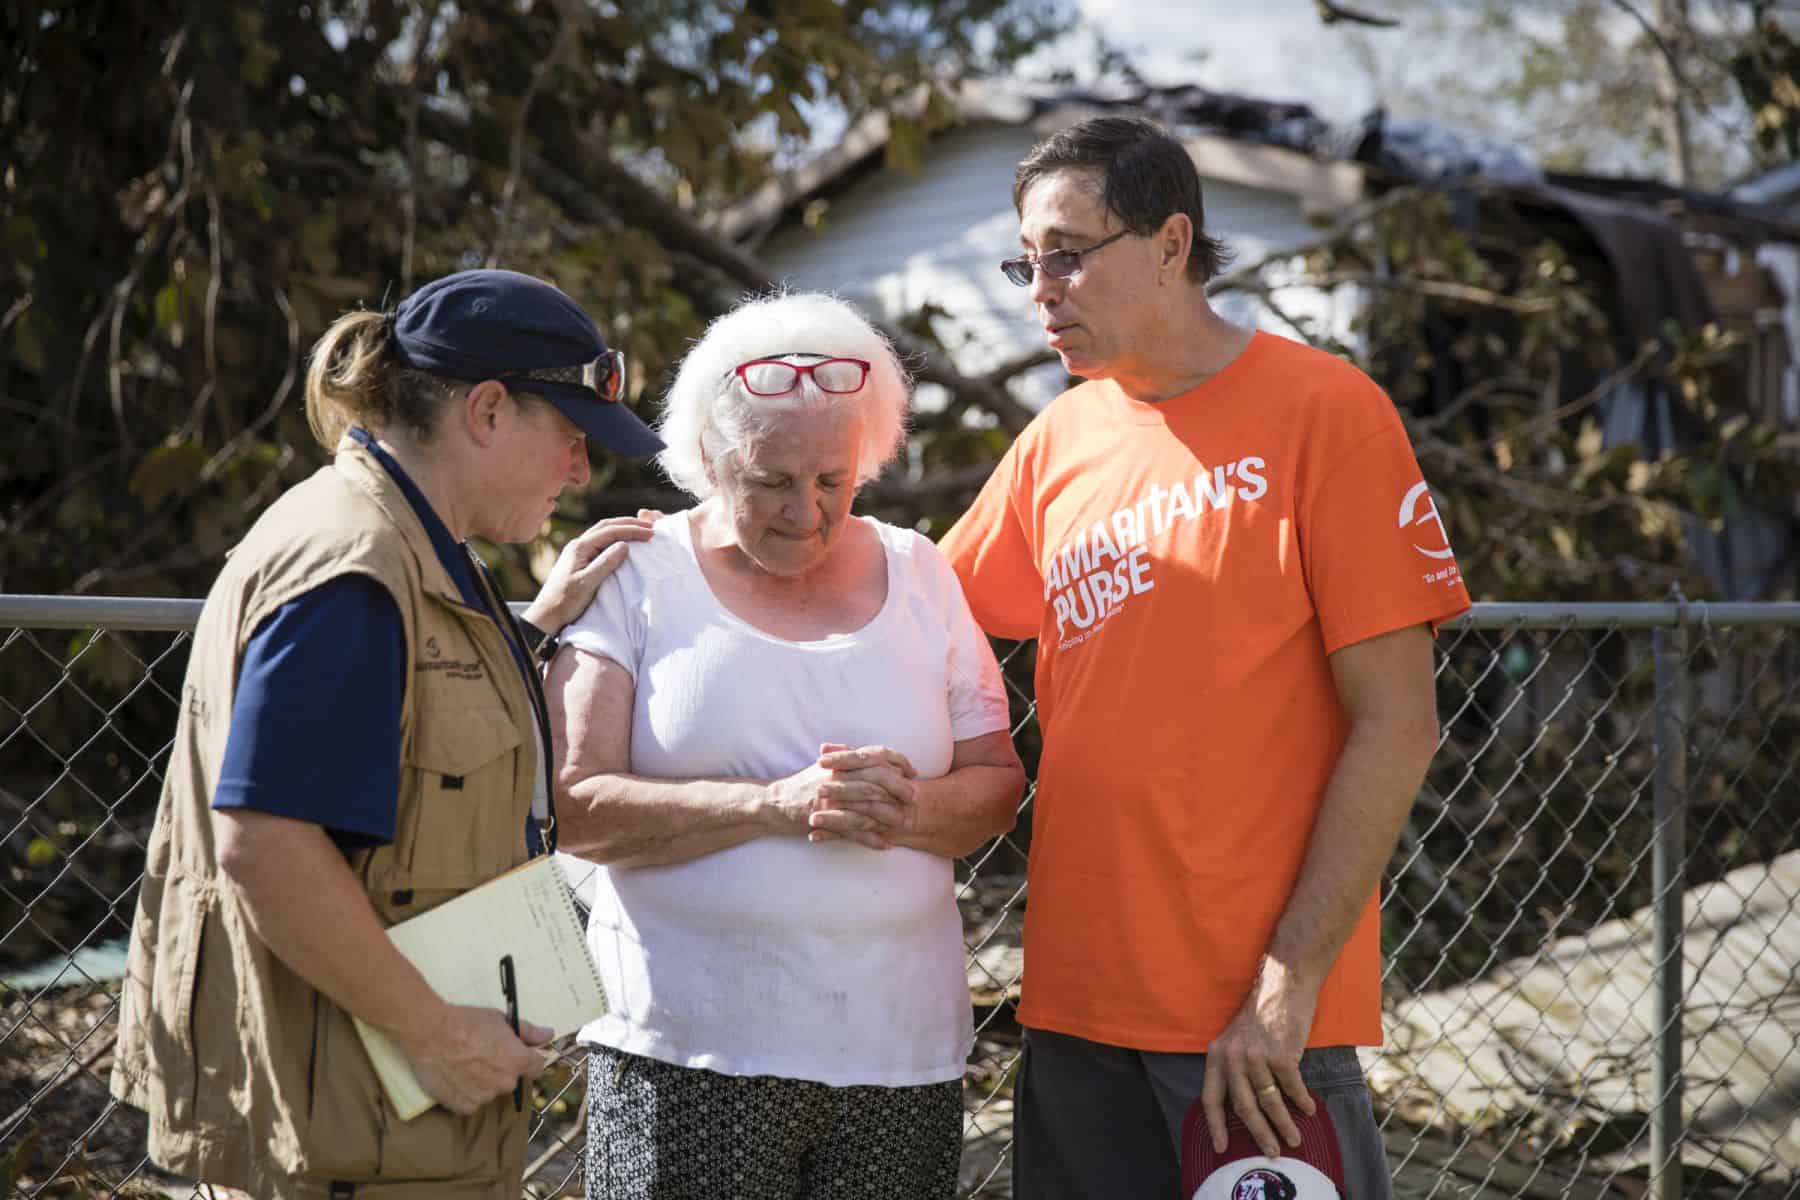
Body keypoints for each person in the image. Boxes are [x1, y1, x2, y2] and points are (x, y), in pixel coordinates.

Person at [937, 116, 1474, 1198]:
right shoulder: (1060, 439)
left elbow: (1400, 722)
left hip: (1251, 1033)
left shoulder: (1328, 413)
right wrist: (700, 553)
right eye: (1026, 260)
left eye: (1069, 252)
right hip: (1075, 1010)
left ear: (1173, 244)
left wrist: (1288, 986)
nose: (1040, 287)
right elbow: (917, 614)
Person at [109, 268, 664, 1199]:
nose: (581, 469)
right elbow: (269, 847)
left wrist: (527, 631)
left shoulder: (399, 540)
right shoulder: (356, 572)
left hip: (359, 1128)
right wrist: (440, 1037)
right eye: (572, 438)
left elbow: (404, 728)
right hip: (339, 1143)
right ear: (487, 411)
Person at [543, 291, 1026, 1200]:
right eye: (771, 479)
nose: (806, 511)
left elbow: (997, 785)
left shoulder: (920, 571)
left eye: (832, 481)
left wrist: (910, 808)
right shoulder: (638, 573)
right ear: (709, 462)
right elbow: (573, 806)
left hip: (898, 1056)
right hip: (686, 1054)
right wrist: (775, 804)